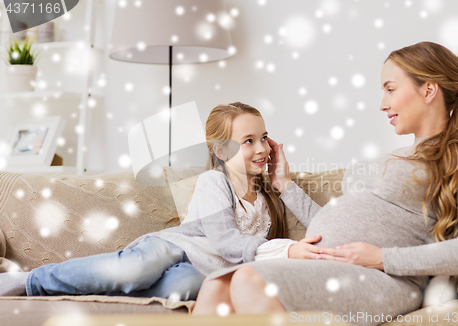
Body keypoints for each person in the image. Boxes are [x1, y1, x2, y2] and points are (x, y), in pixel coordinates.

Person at [192, 41, 458, 324]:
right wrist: (284, 184)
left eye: (390, 89)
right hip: (332, 263)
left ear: (429, 90)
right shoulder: (397, 155)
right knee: (216, 287)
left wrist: (382, 258)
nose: (383, 103)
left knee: (248, 280)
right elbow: (333, 229)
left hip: (386, 279)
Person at [0, 102, 331, 299]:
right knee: (136, 269)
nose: (261, 149)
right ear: (220, 150)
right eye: (248, 141)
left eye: (262, 138)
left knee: (184, 288)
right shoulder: (214, 182)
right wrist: (288, 249)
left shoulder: (268, 196)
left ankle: (84, 290)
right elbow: (227, 243)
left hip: (204, 272)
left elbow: (326, 227)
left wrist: (284, 182)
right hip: (174, 248)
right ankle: (31, 280)